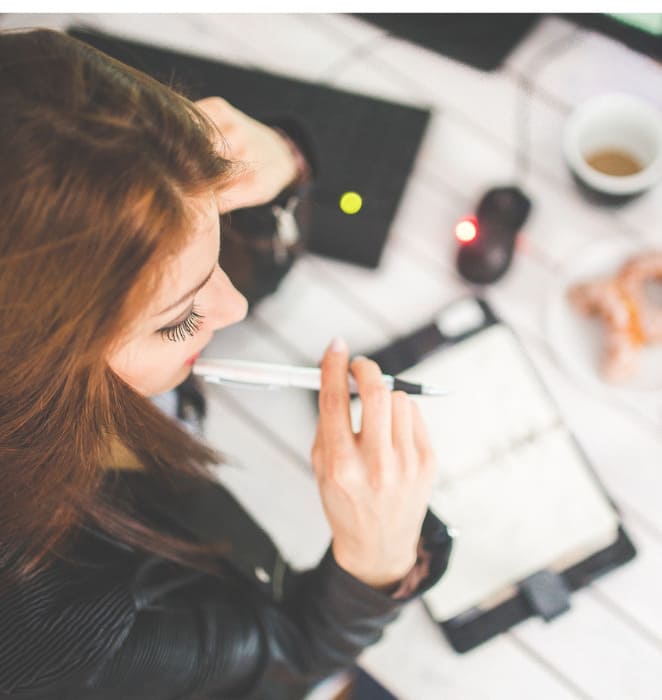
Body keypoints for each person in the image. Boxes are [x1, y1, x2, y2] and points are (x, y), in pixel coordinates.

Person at [0, 28, 452, 700]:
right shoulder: (53, 624)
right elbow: (294, 664)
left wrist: (280, 163)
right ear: (36, 367)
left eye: (216, 223)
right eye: (179, 316)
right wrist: (375, 564)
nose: (234, 306)